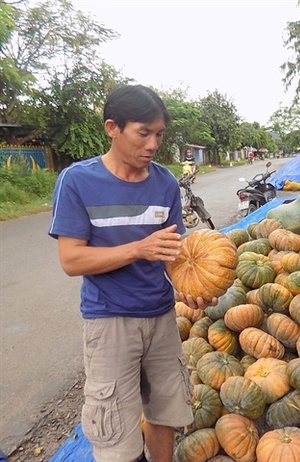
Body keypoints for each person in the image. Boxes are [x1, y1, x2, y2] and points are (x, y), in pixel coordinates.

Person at [49, 84, 211, 462]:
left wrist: (191, 286)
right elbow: (71, 260)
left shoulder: (166, 183)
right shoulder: (78, 181)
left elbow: (172, 256)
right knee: (115, 429)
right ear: (112, 127)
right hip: (110, 322)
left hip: (160, 319)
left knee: (165, 413)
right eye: (144, 132)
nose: (153, 143)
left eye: (159, 134)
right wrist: (138, 249)